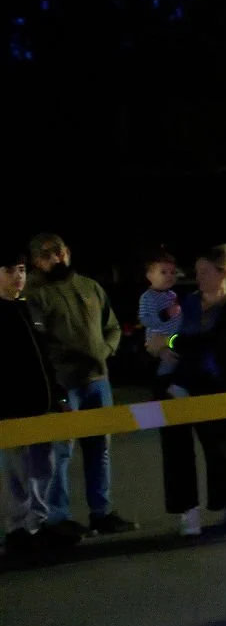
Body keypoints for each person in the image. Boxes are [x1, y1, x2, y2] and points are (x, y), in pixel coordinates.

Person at [25, 233, 135, 536]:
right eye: (46, 255)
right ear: (35, 261)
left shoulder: (89, 287)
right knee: (59, 453)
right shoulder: (34, 294)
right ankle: (57, 518)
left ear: (68, 253)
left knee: (100, 447)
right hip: (63, 385)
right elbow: (38, 342)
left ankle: (101, 512)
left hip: (99, 381)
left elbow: (111, 327)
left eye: (58, 252)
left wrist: (106, 350)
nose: (55, 259)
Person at [155, 244, 226, 539]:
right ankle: (188, 511)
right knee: (177, 449)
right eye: (196, 272)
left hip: (214, 384)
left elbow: (215, 341)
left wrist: (173, 345)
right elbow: (162, 331)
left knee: (220, 446)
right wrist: (166, 344)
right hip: (175, 385)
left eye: (204, 272)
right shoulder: (185, 303)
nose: (198, 278)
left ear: (222, 273)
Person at [2, 244, 69, 560]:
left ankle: (37, 525)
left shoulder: (28, 308)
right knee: (15, 472)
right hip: (12, 410)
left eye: (21, 270)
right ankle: (17, 529)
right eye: (10, 271)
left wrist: (59, 396)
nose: (18, 277)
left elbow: (44, 357)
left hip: (42, 404)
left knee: (44, 466)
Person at [138, 247, 187, 396]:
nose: (169, 276)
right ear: (149, 275)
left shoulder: (172, 295)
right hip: (159, 339)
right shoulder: (147, 297)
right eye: (163, 272)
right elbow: (145, 319)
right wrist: (166, 314)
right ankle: (163, 386)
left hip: (175, 337)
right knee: (169, 361)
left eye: (173, 272)